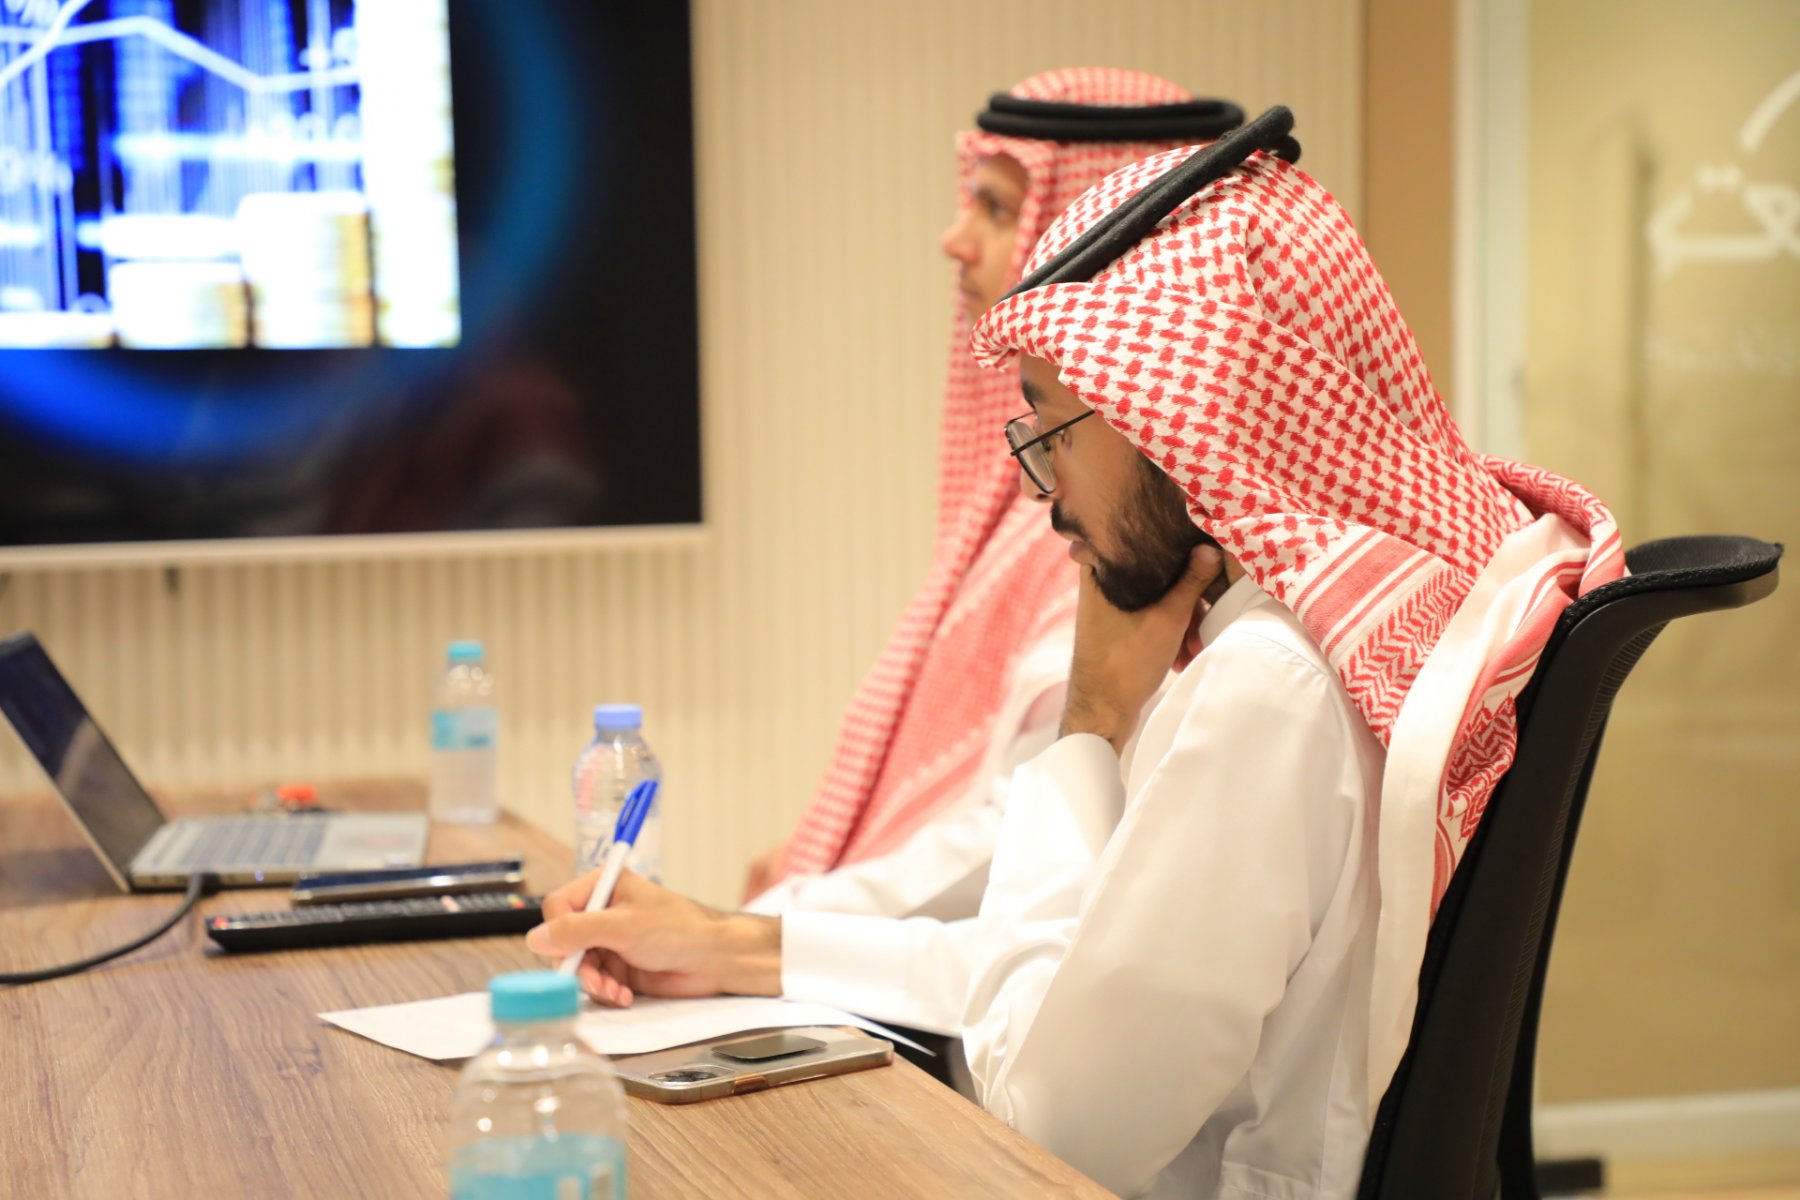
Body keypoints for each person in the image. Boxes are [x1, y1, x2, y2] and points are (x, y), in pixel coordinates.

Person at [527, 118, 1625, 1197]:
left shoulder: (1272, 686)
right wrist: (734, 947)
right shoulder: (1331, 634)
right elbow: (1075, 984)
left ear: (1173, 410)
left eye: (1051, 429)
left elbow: (1057, 1125)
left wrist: (1091, 723)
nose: (1043, 494)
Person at [740, 68, 1244, 936]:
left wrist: (763, 927)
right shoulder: (1036, 499)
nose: (955, 240)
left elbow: (1013, 833)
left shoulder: (1127, 519)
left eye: (998, 208)